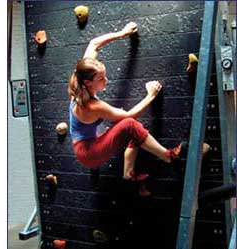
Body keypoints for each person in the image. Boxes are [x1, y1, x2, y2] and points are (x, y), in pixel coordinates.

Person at [68, 22, 190, 195]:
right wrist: (151, 94)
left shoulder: (81, 74)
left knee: (136, 131)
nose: (106, 80)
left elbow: (94, 43)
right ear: (88, 83)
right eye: (101, 79)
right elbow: (130, 115)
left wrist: (122, 33)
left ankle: (128, 173)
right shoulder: (92, 106)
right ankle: (169, 157)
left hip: (89, 141)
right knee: (130, 125)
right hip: (88, 153)